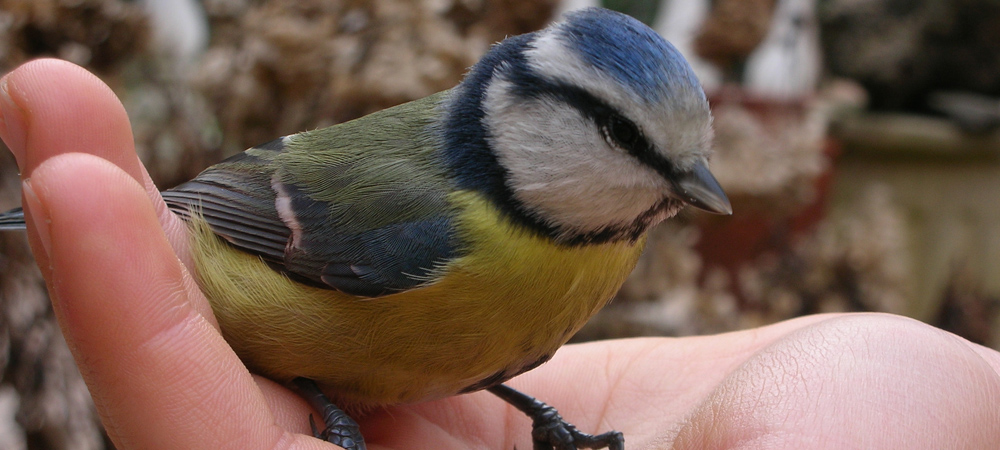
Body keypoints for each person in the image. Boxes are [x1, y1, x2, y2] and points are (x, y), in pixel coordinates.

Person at [1, 58, 998, 450]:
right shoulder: (427, 219)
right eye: (644, 162)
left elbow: (482, 357)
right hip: (250, 253)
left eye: (682, 168)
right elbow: (239, 208)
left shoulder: (595, 248)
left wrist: (543, 418)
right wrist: (333, 412)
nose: (686, 194)